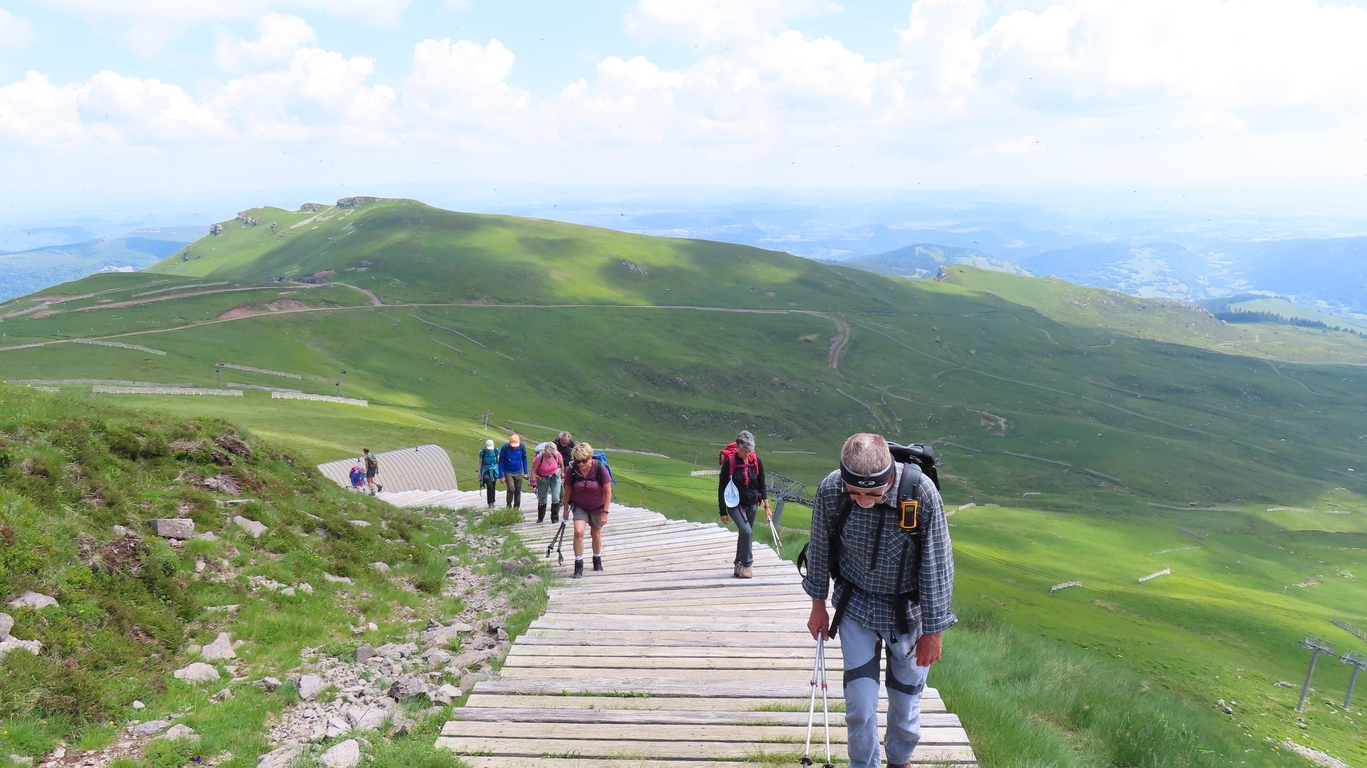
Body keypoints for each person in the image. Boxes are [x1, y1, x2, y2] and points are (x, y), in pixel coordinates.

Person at [802, 433, 955, 768]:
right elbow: (820, 547)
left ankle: (899, 760)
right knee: (859, 705)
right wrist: (818, 605)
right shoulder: (832, 489)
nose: (862, 500)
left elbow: (937, 564)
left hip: (909, 615)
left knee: (905, 703)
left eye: (872, 493)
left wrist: (934, 632)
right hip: (855, 608)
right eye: (854, 492)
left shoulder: (920, 493)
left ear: (888, 476)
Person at [717, 430, 770, 579]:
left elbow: (761, 484)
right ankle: (747, 565)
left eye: (749, 451)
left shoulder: (756, 461)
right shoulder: (730, 462)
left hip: (752, 503)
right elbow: (722, 487)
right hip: (734, 504)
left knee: (745, 534)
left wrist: (767, 506)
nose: (747, 454)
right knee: (747, 532)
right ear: (738, 448)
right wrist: (723, 511)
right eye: (744, 451)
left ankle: (738, 564)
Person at [562, 442, 611, 578]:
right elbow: (568, 490)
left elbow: (608, 492)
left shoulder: (600, 468)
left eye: (584, 461)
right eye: (578, 461)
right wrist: (565, 508)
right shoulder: (572, 469)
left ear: (590, 457)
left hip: (598, 506)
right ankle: (578, 564)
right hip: (579, 505)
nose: (581, 464)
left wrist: (605, 513)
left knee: (596, 534)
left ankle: (597, 558)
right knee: (578, 532)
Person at [533, 442, 563, 523]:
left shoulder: (557, 455)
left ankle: (555, 518)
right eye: (549, 454)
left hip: (555, 477)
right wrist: (534, 484)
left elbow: (561, 464)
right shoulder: (539, 457)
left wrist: (562, 475)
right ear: (545, 451)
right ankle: (540, 518)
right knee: (542, 499)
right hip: (542, 478)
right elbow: (533, 471)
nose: (551, 456)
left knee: (556, 497)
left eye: (553, 454)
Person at [498, 433, 530, 509]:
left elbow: (524, 459)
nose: (515, 447)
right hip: (508, 471)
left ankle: (516, 508)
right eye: (513, 446)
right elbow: (501, 461)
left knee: (518, 490)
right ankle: (508, 505)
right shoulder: (505, 447)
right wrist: (501, 476)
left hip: (518, 471)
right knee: (511, 489)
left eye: (516, 446)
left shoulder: (522, 447)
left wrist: (526, 472)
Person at [477, 439, 501, 510]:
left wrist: (500, 472)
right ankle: (490, 502)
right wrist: (479, 474)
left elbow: (499, 461)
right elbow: (480, 463)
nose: (490, 450)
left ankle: (492, 502)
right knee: (489, 484)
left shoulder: (496, 451)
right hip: (485, 470)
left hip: (494, 470)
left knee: (493, 485)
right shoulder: (482, 452)